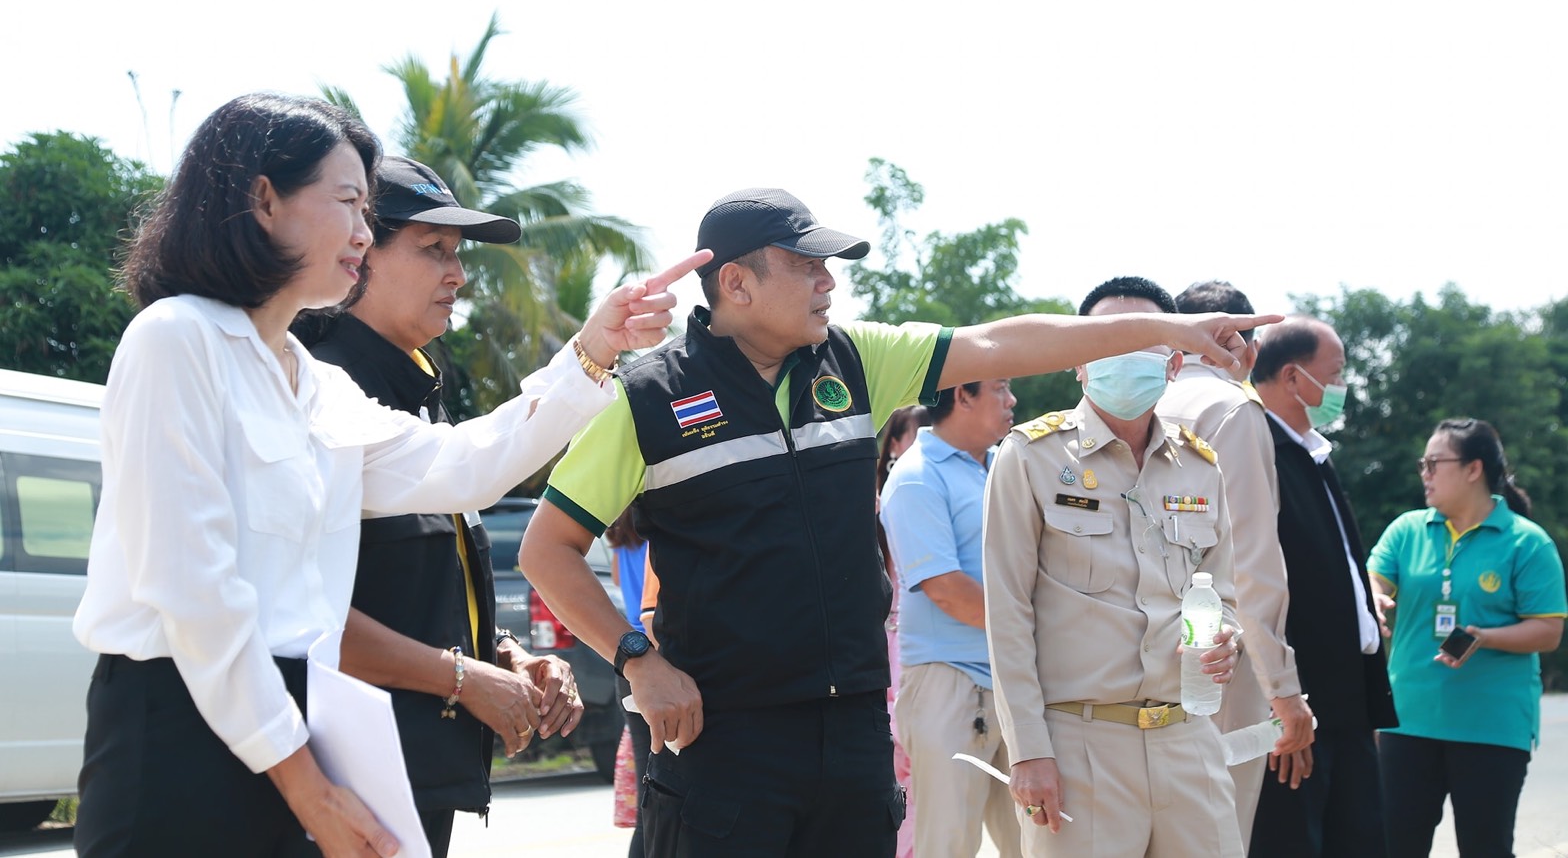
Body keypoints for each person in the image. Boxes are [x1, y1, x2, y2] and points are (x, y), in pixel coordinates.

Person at [519, 189, 1272, 858]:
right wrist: (638, 660)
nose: (830, 282)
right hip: (722, 734)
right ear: (735, 282)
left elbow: (1003, 341)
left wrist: (1170, 327)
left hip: (849, 731)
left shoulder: (853, 361)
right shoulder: (648, 398)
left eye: (830, 266)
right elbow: (545, 547)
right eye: (807, 266)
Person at [70, 93, 706, 858]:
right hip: (180, 737)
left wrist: (592, 349)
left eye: (369, 211)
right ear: (262, 199)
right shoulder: (176, 340)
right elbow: (197, 598)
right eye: (348, 203)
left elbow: (463, 467)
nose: (363, 235)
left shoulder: (309, 379)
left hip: (288, 734)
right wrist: (307, 784)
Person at [296, 155, 583, 857]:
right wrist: (462, 676)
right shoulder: (320, 386)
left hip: (417, 772)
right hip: (341, 779)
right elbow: (301, 607)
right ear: (360, 252)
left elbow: (421, 589)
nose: (457, 275)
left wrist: (505, 655)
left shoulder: (418, 387)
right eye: (433, 249)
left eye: (458, 254)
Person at [984, 276, 1244, 857]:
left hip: (1188, 739)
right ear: (1078, 363)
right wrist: (1028, 750)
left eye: (1143, 345)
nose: (1123, 362)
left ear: (1174, 362)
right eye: (1106, 344)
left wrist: (1228, 635)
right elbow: (1006, 613)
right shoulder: (1030, 456)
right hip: (1080, 745)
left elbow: (1223, 589)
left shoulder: (1200, 466)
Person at [1156, 279, 1314, 848]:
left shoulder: (1138, 403)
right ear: (1240, 343)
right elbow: (1251, 557)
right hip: (1215, 658)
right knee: (1214, 834)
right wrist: (1283, 687)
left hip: (1136, 652)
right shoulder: (1233, 408)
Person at [1368, 418, 1566, 858]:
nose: (1425, 473)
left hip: (1491, 728)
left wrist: (1486, 637)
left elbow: (1549, 630)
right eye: (1424, 463)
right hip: (1407, 721)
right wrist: (1376, 598)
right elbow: (1373, 578)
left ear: (1474, 469)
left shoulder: (1527, 544)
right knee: (1393, 846)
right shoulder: (1407, 530)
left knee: (1486, 848)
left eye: (1435, 463)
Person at [1248, 316, 1396, 858]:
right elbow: (1253, 582)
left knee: (1357, 839)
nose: (1340, 388)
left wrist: (1364, 607)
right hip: (1299, 706)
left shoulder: (1312, 452)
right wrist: (1282, 702)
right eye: (1335, 375)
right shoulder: (1257, 449)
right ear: (1292, 377)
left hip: (1347, 703)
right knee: (1292, 841)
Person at [882, 380, 1022, 858]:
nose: (1012, 402)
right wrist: (1037, 631)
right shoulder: (917, 475)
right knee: (948, 844)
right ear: (962, 395)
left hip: (1012, 681)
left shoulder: (1000, 466)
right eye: (1001, 390)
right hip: (951, 684)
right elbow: (946, 589)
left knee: (1035, 842)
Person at [877, 404, 928, 858]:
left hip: (923, 655)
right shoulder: (871, 506)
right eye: (920, 431)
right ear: (894, 443)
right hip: (886, 661)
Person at [604, 503, 652, 858]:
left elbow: (619, 581)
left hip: (627, 657)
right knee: (666, 791)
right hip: (657, 654)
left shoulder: (621, 535)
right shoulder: (659, 533)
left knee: (648, 787)